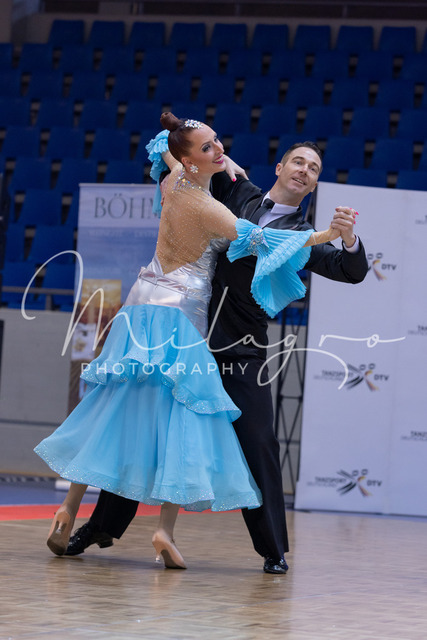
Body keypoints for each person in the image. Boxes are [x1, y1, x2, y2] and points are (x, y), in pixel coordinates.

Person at [35, 115, 341, 569]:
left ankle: (71, 507)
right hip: (183, 321)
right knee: (169, 419)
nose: (221, 149)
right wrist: (327, 234)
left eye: (313, 167)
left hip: (167, 319)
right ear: (280, 167)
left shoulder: (176, 181)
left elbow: (167, 143)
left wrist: (207, 152)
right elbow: (265, 239)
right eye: (210, 146)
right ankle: (147, 529)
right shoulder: (223, 204)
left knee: (129, 407)